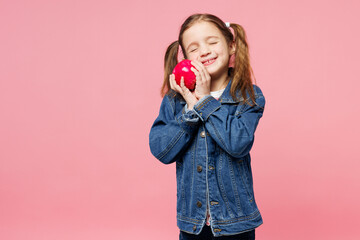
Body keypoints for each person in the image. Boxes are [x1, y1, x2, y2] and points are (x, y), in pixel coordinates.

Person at [149, 13, 265, 239]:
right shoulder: (176, 100)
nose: (203, 51)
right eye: (193, 48)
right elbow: (162, 150)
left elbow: (238, 143)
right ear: (185, 58)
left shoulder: (249, 97)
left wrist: (204, 102)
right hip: (193, 224)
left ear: (231, 46)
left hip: (236, 224)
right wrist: (190, 110)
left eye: (212, 42)